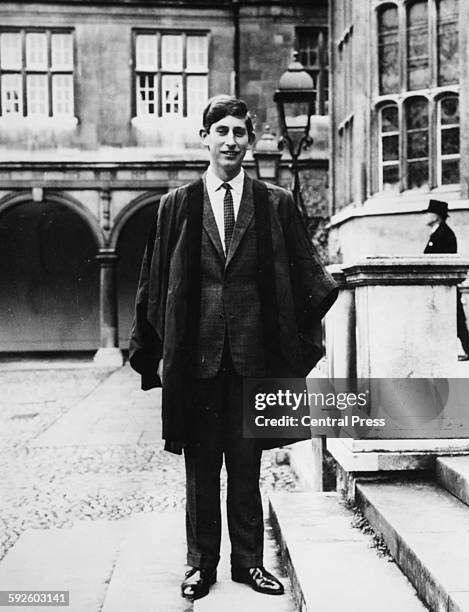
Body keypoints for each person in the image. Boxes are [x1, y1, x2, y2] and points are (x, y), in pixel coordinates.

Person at [129, 95, 338, 601]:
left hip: (253, 357)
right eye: (220, 130)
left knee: (247, 466)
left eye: (239, 132)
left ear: (250, 138)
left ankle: (249, 564)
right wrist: (155, 347)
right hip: (196, 358)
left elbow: (311, 278)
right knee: (201, 468)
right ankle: (201, 564)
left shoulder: (275, 203)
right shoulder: (176, 205)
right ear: (205, 137)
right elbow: (154, 283)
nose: (230, 141)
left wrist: (292, 343)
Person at [423, 199, 469, 361]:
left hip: (445, 285)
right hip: (441, 285)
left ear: (437, 216)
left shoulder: (443, 234)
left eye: (429, 213)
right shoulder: (438, 232)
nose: (426, 216)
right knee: (456, 319)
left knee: (456, 319)